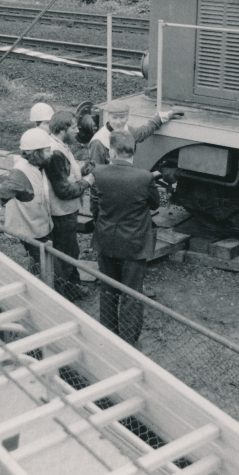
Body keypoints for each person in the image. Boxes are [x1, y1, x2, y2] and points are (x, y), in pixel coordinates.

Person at [90, 131, 159, 345]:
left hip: (106, 240)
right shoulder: (145, 177)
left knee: (108, 290)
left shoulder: (98, 173)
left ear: (111, 151)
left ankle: (108, 334)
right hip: (135, 245)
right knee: (131, 294)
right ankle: (128, 341)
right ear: (133, 151)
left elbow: (94, 208)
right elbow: (155, 204)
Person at [0, 128, 55, 272]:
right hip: (31, 233)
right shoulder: (20, 174)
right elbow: (2, 191)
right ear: (35, 153)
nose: (51, 153)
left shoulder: (37, 164)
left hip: (40, 227)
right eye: (47, 151)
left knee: (40, 264)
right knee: (52, 272)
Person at [44, 110, 94, 299]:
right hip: (61, 213)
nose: (77, 130)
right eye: (73, 127)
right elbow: (63, 190)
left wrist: (81, 170)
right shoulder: (55, 153)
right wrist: (87, 181)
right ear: (62, 129)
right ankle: (64, 294)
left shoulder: (60, 146)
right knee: (66, 253)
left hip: (66, 211)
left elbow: (65, 175)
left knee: (71, 250)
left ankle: (72, 288)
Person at [88, 99, 179, 167]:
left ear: (127, 117)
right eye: (115, 118)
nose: (119, 122)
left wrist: (160, 118)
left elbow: (142, 132)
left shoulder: (128, 130)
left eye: (122, 117)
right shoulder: (98, 142)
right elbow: (96, 172)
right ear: (108, 117)